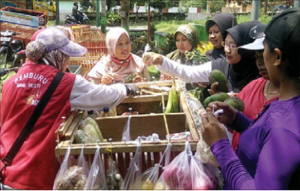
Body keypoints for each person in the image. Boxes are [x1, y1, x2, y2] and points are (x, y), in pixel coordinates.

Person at [0, 27, 139, 190]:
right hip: (36, 176)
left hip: (6, 171)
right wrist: (126, 89)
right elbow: (102, 96)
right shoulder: (63, 82)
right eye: (66, 57)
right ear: (57, 56)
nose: (67, 63)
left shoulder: (11, 82)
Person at [201, 8, 300, 189]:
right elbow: (266, 139)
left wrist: (220, 145)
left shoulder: (286, 126)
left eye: (264, 49)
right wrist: (238, 120)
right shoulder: (286, 102)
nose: (260, 59)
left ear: (276, 57)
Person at [143, 21, 261, 93]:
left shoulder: (263, 74)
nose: (227, 50)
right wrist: (161, 60)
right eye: (226, 44)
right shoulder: (222, 65)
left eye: (233, 45)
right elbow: (187, 73)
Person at [231, 24, 280, 151]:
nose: (259, 63)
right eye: (256, 57)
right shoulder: (253, 86)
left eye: (263, 56)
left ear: (278, 57)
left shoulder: (289, 102)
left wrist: (220, 147)